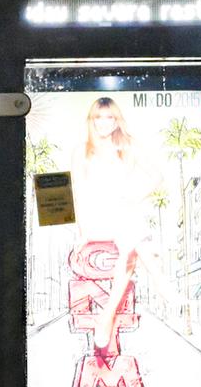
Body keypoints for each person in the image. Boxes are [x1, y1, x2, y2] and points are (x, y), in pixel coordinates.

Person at [70, 96, 176, 351]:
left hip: (122, 217)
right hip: (97, 219)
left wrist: (135, 195)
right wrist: (82, 232)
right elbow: (76, 192)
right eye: (99, 117)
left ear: (117, 120)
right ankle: (160, 279)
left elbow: (157, 176)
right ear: (91, 120)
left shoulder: (126, 145)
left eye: (110, 118)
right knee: (131, 235)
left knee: (128, 242)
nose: (105, 123)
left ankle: (106, 318)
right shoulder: (82, 150)